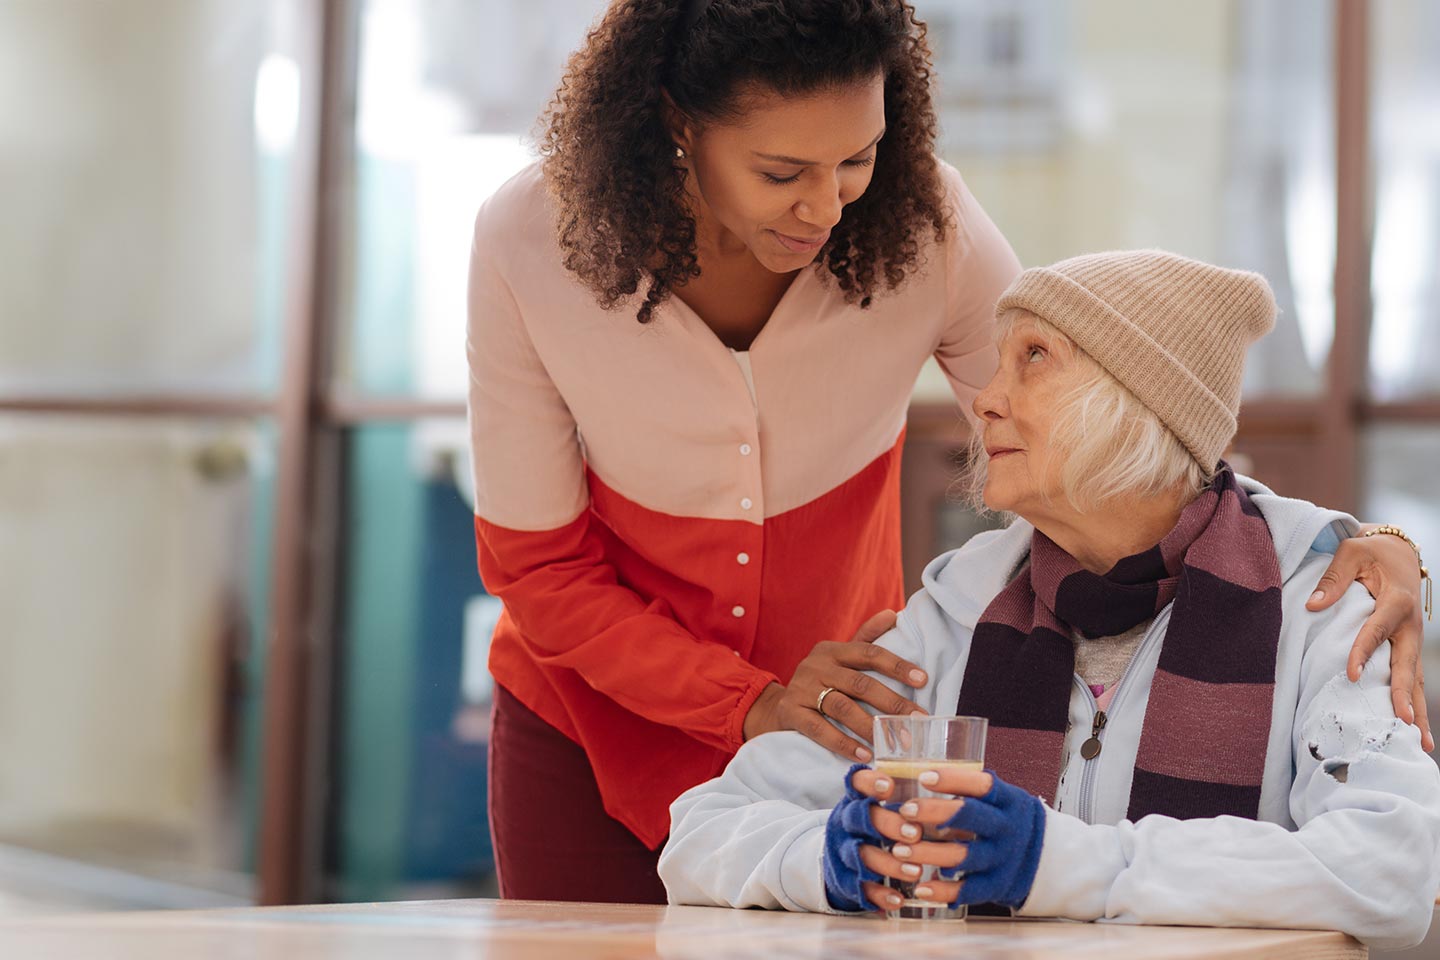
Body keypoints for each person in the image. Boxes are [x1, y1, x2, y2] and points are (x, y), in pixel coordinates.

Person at [467, 0, 1431, 904]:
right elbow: (537, 565)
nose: (827, 206)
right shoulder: (530, 242)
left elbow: (1118, 430)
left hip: (838, 705)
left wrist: (1331, 544)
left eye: (859, 158)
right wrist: (747, 703)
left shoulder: (923, 223)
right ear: (676, 122)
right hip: (589, 720)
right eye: (780, 173)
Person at [659, 251, 1440, 949]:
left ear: (1143, 405)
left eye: (1035, 358)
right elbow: (703, 831)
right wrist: (831, 859)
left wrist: (1058, 864)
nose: (986, 400)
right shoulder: (959, 607)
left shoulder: (1323, 600)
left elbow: (1393, 868)